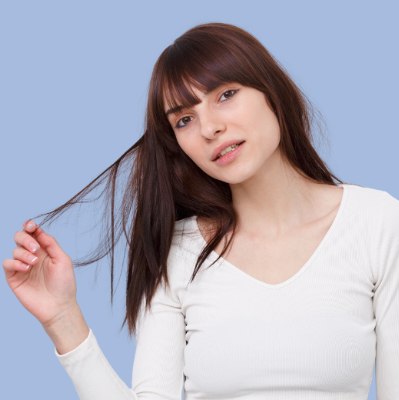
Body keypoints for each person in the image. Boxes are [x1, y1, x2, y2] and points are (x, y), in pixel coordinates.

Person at [3, 22, 399, 400]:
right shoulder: (179, 251)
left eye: (225, 94)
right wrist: (62, 318)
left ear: (271, 90)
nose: (209, 128)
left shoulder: (377, 222)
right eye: (185, 119)